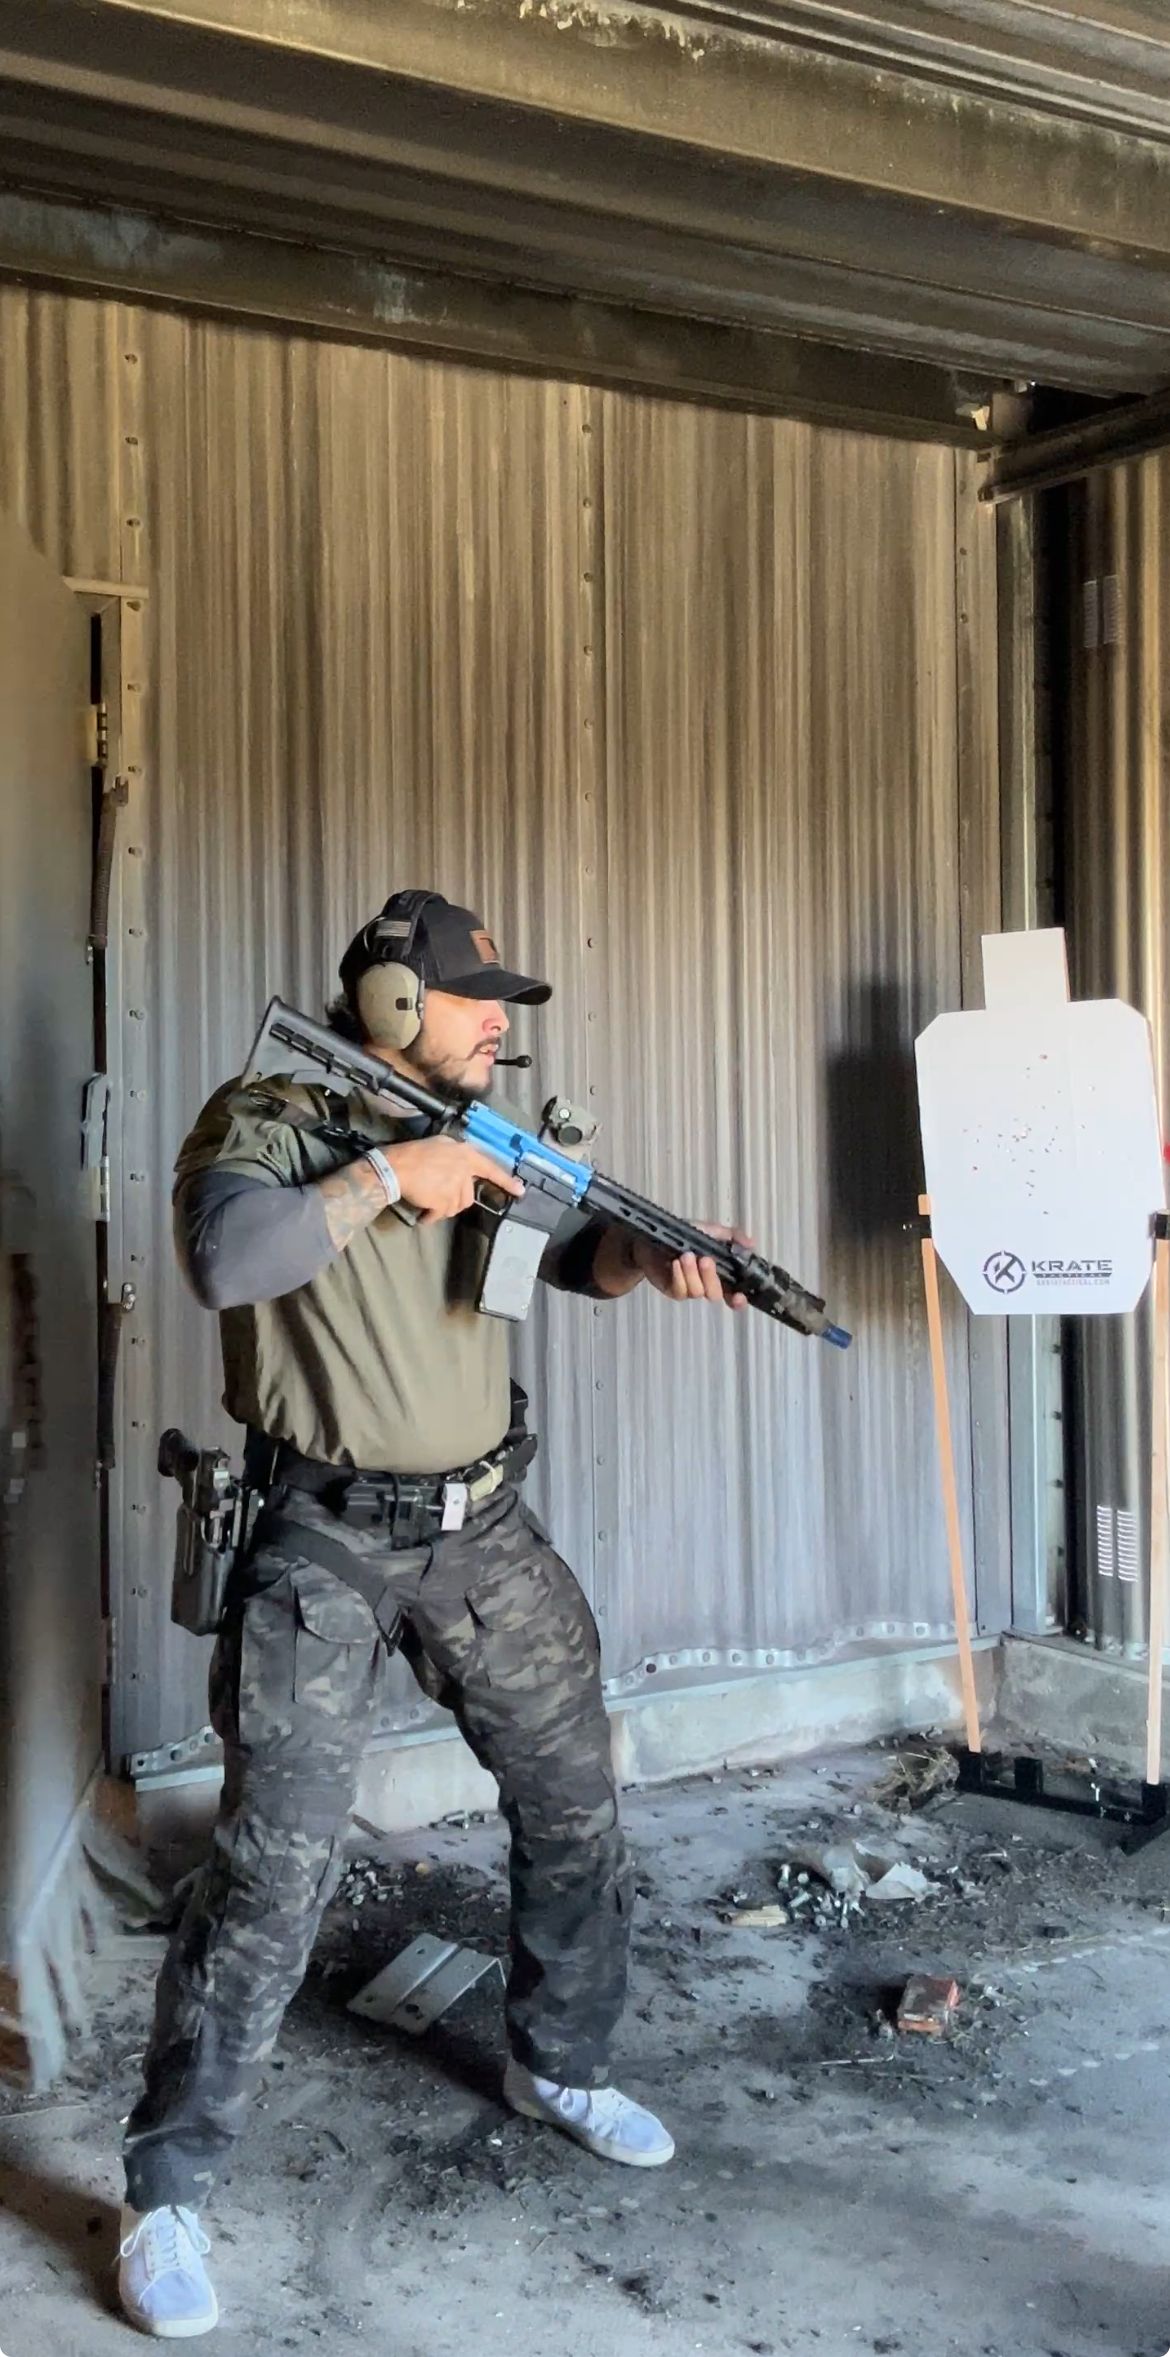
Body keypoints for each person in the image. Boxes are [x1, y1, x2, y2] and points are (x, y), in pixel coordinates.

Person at [116, 889, 749, 2338]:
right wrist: (392, 1178)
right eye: (474, 999)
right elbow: (228, 1259)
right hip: (321, 1536)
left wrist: (643, 1255)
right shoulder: (270, 1113)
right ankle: (168, 2193)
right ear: (391, 1002)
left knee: (574, 1794)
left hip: (480, 1528)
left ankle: (559, 2058)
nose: (498, 1022)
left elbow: (533, 1266)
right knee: (273, 1872)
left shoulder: (484, 1140)